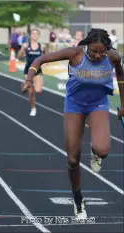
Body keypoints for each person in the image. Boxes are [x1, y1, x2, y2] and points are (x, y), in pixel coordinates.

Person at [21, 28, 124, 219]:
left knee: (103, 150)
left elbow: (121, 76)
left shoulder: (113, 57)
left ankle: (95, 152)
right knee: (72, 160)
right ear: (87, 47)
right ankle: (78, 200)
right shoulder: (75, 53)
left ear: (108, 48)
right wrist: (29, 78)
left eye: (101, 51)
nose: (97, 55)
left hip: (98, 104)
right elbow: (40, 60)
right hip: (74, 105)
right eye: (93, 51)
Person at [17, 29, 46, 116]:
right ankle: (33, 108)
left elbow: (46, 54)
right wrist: (22, 50)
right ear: (30, 35)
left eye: (36, 34)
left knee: (38, 91)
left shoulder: (42, 46)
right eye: (33, 33)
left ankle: (26, 85)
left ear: (38, 36)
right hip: (28, 71)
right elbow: (19, 56)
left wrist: (46, 61)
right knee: (31, 92)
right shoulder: (26, 45)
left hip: (38, 71)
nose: (34, 35)